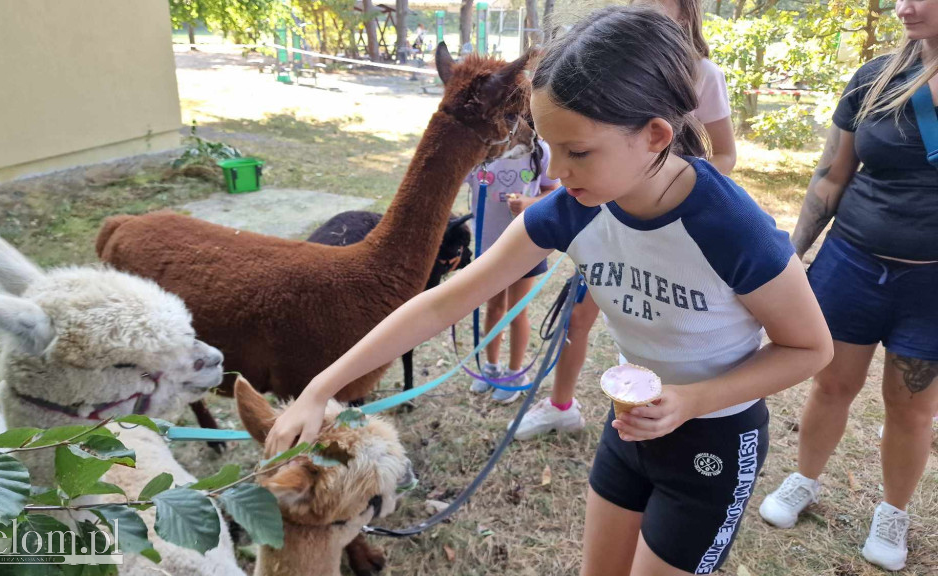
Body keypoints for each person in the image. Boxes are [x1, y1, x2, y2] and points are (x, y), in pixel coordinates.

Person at [266, 7, 833, 575]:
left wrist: (692, 401)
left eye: (578, 151)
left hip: (714, 438)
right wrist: (321, 388)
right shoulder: (571, 209)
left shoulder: (732, 228)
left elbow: (810, 349)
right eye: (548, 147)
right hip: (631, 429)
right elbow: (445, 300)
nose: (557, 172)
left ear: (656, 135)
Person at [758, 0, 938, 570]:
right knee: (832, 385)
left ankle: (893, 512)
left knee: (911, 408)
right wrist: (787, 260)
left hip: (931, 288)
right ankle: (804, 479)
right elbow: (832, 176)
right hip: (852, 263)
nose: (902, 7)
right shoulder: (876, 78)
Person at [512, 0, 738, 440]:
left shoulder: (703, 75)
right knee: (577, 315)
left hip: (669, 230)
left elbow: (724, 152)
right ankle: (561, 404)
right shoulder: (578, 199)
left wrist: (676, 199)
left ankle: (672, 410)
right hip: (610, 216)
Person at [465, 133, 559, 403]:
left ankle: (515, 373)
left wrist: (528, 203)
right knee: (494, 308)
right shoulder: (481, 150)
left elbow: (553, 191)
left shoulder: (540, 150)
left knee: (517, 311)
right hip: (490, 247)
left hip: (526, 246)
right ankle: (491, 367)